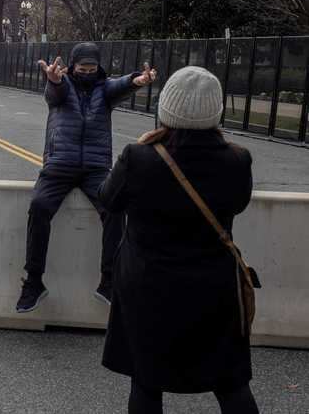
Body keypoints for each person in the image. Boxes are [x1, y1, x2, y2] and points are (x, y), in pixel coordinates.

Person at [99, 66, 258, 413]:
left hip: (149, 285)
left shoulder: (139, 158)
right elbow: (240, 204)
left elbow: (108, 199)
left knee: (146, 380)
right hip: (214, 287)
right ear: (215, 111)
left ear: (165, 109)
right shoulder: (237, 159)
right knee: (230, 382)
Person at [16, 42, 157, 313]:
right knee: (39, 207)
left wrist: (138, 81)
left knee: (115, 209)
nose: (88, 73)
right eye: (82, 68)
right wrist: (54, 80)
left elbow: (122, 85)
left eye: (92, 69)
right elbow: (53, 94)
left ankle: (109, 280)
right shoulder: (62, 85)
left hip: (95, 168)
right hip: (59, 166)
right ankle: (33, 282)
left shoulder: (104, 90)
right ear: (73, 66)